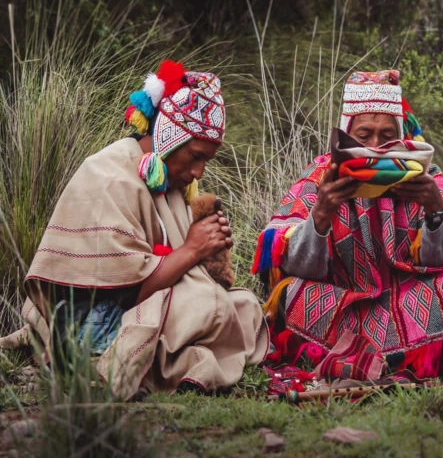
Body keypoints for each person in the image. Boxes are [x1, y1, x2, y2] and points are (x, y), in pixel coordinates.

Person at [1, 60, 270, 399]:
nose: (200, 172)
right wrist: (192, 251)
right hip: (89, 327)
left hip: (129, 312)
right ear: (170, 136)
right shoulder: (109, 177)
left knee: (242, 304)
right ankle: (108, 366)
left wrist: (209, 251)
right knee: (209, 302)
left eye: (207, 161)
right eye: (196, 156)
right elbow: (127, 292)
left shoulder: (165, 180)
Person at [252, 70, 443, 380]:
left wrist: (434, 208)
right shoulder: (319, 177)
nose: (376, 146)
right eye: (364, 136)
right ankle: (389, 356)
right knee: (291, 294)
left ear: (402, 136)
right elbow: (293, 266)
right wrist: (321, 214)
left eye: (387, 136)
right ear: (345, 134)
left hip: (408, 301)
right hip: (342, 302)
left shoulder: (425, 175)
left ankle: (376, 357)